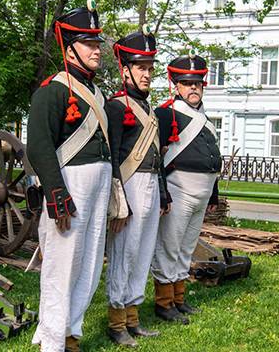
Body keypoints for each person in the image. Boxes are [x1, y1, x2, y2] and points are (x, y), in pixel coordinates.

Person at [27, 1, 114, 352]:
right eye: (89, 43)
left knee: (90, 265)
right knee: (61, 269)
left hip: (98, 188)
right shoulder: (53, 90)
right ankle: (51, 342)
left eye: (97, 42)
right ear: (70, 47)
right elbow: (39, 147)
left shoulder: (96, 93)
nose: (97, 49)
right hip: (70, 189)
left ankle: (69, 333)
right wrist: (56, 194)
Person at [105, 27, 171, 348]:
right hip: (128, 187)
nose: (147, 74)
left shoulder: (149, 110)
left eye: (149, 68)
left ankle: (133, 318)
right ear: (125, 69)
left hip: (150, 186)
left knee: (143, 253)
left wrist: (162, 191)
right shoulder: (116, 107)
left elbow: (157, 156)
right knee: (123, 252)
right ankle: (116, 321)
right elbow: (113, 157)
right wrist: (118, 200)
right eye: (140, 67)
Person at [151, 53, 221, 324]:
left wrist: (213, 192)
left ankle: (179, 298)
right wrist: (162, 192)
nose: (193, 87)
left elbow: (212, 157)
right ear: (176, 86)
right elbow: (156, 156)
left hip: (202, 192)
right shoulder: (166, 113)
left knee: (187, 247)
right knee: (169, 246)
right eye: (186, 82)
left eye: (197, 82)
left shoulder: (203, 118)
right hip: (178, 190)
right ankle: (164, 302)